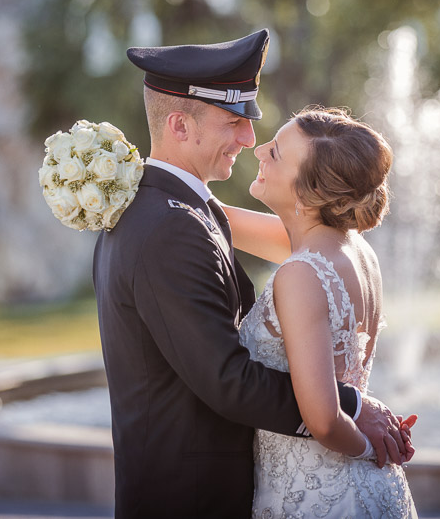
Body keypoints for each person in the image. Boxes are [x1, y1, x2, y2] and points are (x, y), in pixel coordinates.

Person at [92, 29, 412, 518]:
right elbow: (228, 380)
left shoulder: (185, 212)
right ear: (180, 126)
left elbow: (286, 237)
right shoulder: (169, 225)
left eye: (269, 144)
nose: (251, 141)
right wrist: (352, 405)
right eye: (234, 121)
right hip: (190, 496)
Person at [223, 106, 417, 518]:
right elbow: (216, 220)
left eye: (274, 153)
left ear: (307, 194)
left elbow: (324, 421)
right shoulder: (355, 251)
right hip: (369, 491)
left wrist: (371, 450)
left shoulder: (302, 273)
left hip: (320, 495)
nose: (258, 151)